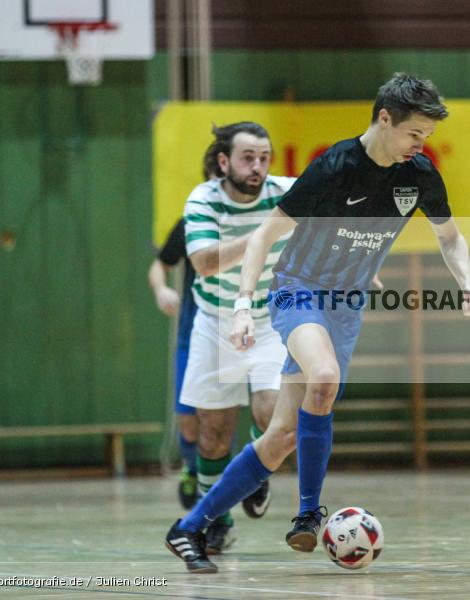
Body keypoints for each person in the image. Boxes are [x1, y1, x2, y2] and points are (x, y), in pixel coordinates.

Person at [165, 73, 470, 574]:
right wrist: (245, 305)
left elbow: (450, 237)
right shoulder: (335, 166)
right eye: (414, 134)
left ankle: (188, 528)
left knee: (281, 437)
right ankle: (308, 513)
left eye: (426, 136)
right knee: (325, 376)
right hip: (298, 290)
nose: (421, 145)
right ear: (385, 119)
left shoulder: (419, 175)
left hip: (345, 305)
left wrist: (466, 280)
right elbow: (264, 236)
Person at [174, 121, 295, 557]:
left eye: (264, 158)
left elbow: (338, 215)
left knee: (274, 413)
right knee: (212, 435)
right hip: (216, 321)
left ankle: (254, 471)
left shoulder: (287, 192)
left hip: (269, 320)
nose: (257, 166)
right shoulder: (203, 199)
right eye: (248, 158)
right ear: (224, 162)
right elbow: (205, 262)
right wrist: (265, 234)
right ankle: (216, 523)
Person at [148, 216, 201, 510]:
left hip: (239, 334)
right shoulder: (193, 220)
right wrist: (161, 290)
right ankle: (191, 468)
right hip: (191, 333)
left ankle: (248, 477)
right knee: (188, 418)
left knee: (222, 418)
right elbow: (160, 265)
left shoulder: (259, 217)